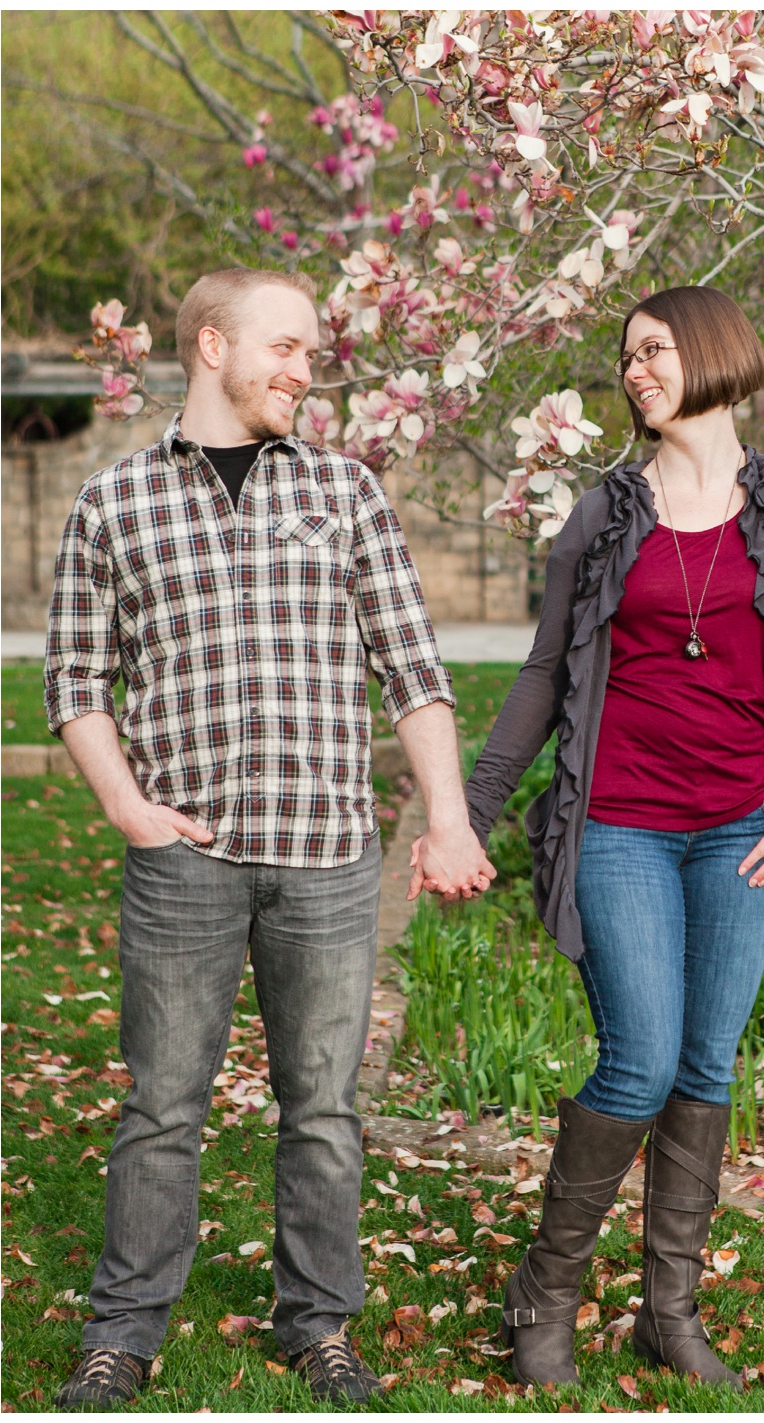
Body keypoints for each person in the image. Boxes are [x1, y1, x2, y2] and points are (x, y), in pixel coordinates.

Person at [45, 267, 495, 1408]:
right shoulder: (113, 502)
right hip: (182, 860)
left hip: (328, 858)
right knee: (161, 1109)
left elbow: (414, 669)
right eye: (286, 347)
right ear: (212, 344)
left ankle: (318, 1324)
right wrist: (126, 807)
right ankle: (125, 1329)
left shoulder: (343, 493)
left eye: (311, 353)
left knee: (323, 1111)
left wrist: (445, 819)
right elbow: (75, 681)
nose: (305, 370)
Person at [450, 286, 764, 1390]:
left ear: (712, 353)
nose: (633, 372)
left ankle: (665, 1315)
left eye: (651, 351)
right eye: (624, 357)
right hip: (620, 824)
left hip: (742, 830)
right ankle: (542, 1295)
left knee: (703, 1063)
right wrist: (469, 813)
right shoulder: (603, 514)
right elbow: (544, 672)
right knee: (636, 1060)